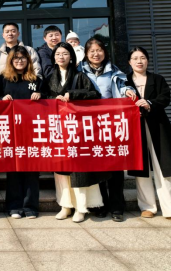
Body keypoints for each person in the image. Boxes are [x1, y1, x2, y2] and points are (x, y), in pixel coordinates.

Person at [41, 42, 105, 223]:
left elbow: (94, 95)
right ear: (54, 58)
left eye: (65, 53)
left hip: (77, 129)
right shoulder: (48, 78)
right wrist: (54, 99)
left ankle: (81, 207)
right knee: (61, 170)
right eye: (58, 54)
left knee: (78, 170)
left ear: (71, 57)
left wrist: (73, 94)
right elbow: (43, 99)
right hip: (57, 128)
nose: (61, 57)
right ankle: (65, 205)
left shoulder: (80, 76)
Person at [126, 47, 171, 226]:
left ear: (147, 60)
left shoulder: (158, 79)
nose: (139, 61)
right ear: (129, 62)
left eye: (142, 58)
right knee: (142, 167)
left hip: (158, 126)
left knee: (165, 167)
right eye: (135, 58)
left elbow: (165, 98)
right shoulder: (124, 81)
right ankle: (147, 206)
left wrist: (149, 103)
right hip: (135, 128)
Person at [81, 38, 137, 222]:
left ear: (104, 52)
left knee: (115, 166)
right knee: (96, 166)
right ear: (86, 54)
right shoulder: (80, 71)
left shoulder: (114, 70)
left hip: (111, 123)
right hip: (90, 125)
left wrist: (127, 91)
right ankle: (101, 205)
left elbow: (123, 85)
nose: (95, 54)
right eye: (92, 51)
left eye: (99, 50)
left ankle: (117, 207)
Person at [0, 47, 45, 220]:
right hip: (11, 131)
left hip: (32, 132)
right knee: (13, 169)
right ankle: (14, 206)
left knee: (32, 170)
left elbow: (48, 99)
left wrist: (40, 95)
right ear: (10, 61)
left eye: (23, 58)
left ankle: (30, 207)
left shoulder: (36, 80)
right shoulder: (2, 80)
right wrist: (1, 100)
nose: (19, 61)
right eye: (16, 58)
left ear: (28, 60)